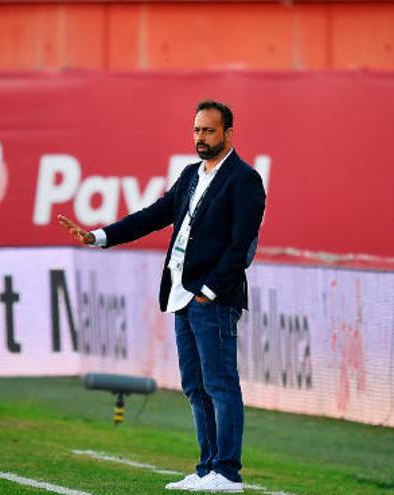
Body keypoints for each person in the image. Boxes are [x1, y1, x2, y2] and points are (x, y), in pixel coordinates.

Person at [58, 100, 265, 493]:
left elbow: (241, 246)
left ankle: (228, 473)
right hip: (180, 296)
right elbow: (152, 216)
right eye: (196, 131)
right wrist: (98, 236)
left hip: (212, 300)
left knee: (221, 385)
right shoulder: (190, 175)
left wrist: (208, 290)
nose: (200, 138)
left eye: (209, 131)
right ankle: (207, 469)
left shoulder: (244, 180)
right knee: (195, 386)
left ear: (228, 134)